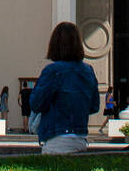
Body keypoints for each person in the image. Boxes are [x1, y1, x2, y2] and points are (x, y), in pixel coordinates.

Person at [29, 22, 100, 156]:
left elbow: (36, 103)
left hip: (56, 137)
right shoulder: (88, 71)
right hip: (80, 137)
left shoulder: (53, 71)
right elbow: (94, 106)